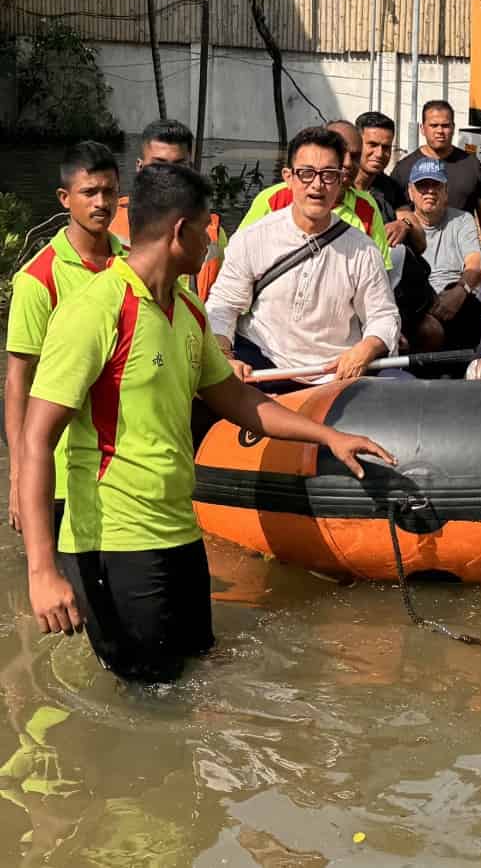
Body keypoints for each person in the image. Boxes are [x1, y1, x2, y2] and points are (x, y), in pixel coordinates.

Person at [19, 162, 395, 682]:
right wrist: (41, 571)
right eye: (205, 230)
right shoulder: (95, 311)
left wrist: (328, 435)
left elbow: (238, 401)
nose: (212, 245)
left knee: (196, 674)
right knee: (147, 695)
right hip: (114, 540)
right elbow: (36, 438)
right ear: (180, 231)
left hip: (178, 530)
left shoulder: (189, 309)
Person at [206, 127, 401, 391]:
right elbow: (223, 306)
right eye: (306, 174)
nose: (317, 186)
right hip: (263, 365)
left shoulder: (363, 250)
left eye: (328, 175)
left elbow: (384, 316)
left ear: (342, 178)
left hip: (336, 375)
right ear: (288, 177)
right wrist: (225, 357)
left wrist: (366, 349)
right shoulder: (253, 238)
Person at [5, 142, 123, 535]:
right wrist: (19, 477)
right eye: (89, 192)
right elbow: (18, 380)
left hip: (123, 468)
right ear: (65, 198)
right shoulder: (38, 279)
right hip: (59, 470)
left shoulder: (132, 266)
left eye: (108, 191)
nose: (100, 202)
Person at [238, 120, 392, 269]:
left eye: (355, 156)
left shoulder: (367, 207)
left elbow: (379, 273)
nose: (347, 163)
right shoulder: (273, 199)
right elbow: (240, 258)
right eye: (340, 154)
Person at [110, 119, 227, 300]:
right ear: (140, 167)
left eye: (178, 166)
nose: (169, 175)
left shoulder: (212, 232)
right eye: (159, 165)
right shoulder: (108, 223)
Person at [407, 157, 481, 350]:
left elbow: (474, 265)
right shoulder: (403, 223)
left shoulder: (462, 220)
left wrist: (460, 291)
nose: (430, 191)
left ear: (446, 191)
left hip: (457, 298)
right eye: (422, 186)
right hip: (420, 303)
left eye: (436, 185)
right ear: (411, 192)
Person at [390, 100, 481, 235]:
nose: (440, 131)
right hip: (417, 251)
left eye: (445, 125)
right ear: (422, 129)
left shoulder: (472, 166)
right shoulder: (403, 169)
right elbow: (394, 218)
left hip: (462, 251)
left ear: (453, 127)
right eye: (434, 125)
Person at [353, 111, 426, 256]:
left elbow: (421, 242)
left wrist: (404, 225)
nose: (379, 153)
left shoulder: (390, 187)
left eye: (386, 147)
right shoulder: (338, 185)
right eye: (372, 145)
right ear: (357, 144)